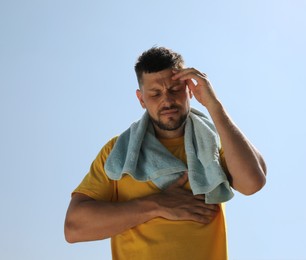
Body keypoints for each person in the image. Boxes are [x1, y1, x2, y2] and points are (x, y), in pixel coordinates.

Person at [64, 46, 267, 260]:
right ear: (141, 99)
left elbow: (252, 182)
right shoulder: (117, 152)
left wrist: (214, 105)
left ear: (190, 90)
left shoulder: (214, 143)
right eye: (155, 94)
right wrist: (158, 205)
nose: (167, 101)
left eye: (175, 90)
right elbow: (74, 226)